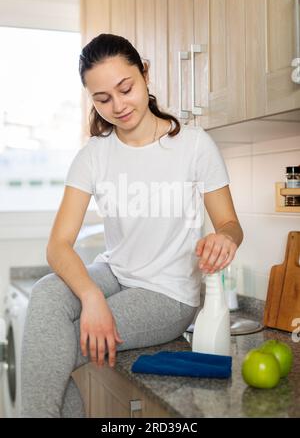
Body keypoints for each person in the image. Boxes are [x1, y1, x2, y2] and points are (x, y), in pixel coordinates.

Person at [21, 33, 243, 418]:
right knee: (45, 297)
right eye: (102, 98)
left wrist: (224, 237)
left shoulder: (193, 145)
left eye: (126, 88)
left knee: (58, 346)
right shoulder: (94, 154)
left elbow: (230, 223)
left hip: (168, 294)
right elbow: (58, 245)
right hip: (115, 274)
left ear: (145, 74)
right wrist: (91, 297)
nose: (118, 106)